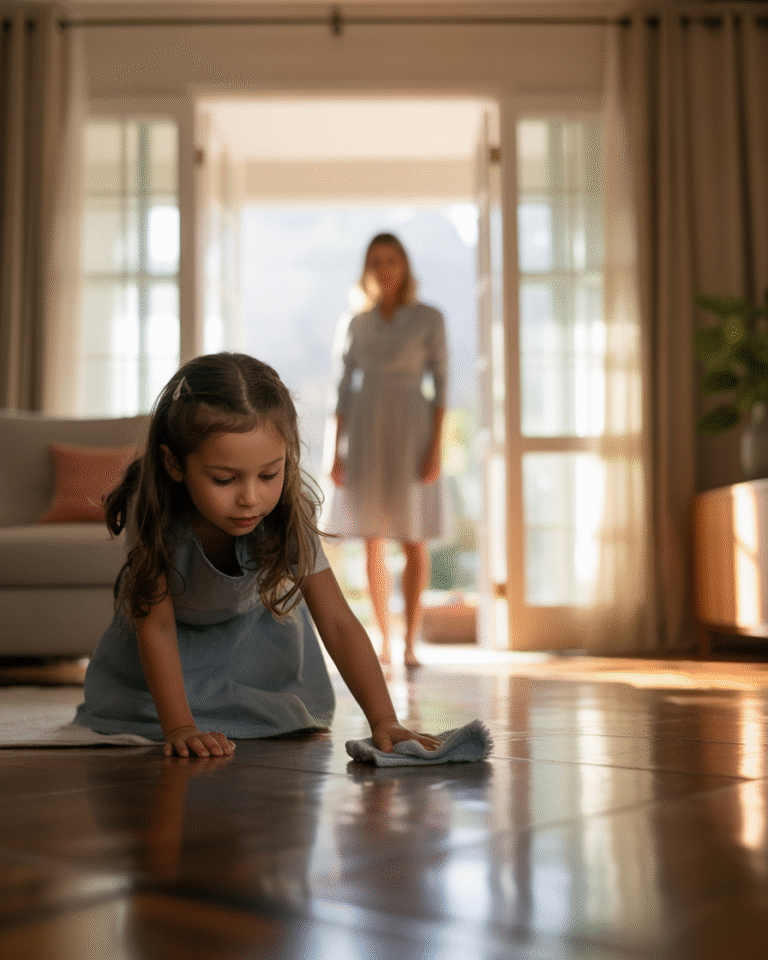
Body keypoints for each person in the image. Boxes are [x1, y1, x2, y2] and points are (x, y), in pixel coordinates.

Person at [75, 352, 439, 759]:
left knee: (277, 713)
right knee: (141, 713)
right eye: (224, 479)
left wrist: (384, 719)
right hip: (169, 646)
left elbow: (338, 623)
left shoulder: (289, 511)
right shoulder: (153, 510)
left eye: (269, 474)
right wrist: (179, 727)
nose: (250, 498)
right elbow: (156, 627)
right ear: (174, 464)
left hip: (252, 645)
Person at [329, 233, 447, 668]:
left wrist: (435, 448)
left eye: (392, 260)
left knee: (413, 537)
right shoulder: (356, 323)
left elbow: (442, 384)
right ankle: (383, 639)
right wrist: (334, 452)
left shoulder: (430, 318)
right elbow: (342, 390)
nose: (384, 269)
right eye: (376, 261)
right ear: (367, 270)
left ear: (405, 265)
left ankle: (411, 642)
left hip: (413, 428)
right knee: (371, 538)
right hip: (365, 431)